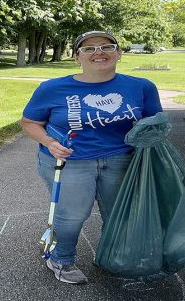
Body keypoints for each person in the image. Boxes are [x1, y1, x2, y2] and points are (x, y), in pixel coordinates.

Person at [20, 31, 162, 284]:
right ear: (77, 57)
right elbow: (30, 123)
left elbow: (154, 124)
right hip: (69, 161)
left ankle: (115, 257)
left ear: (118, 53)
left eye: (107, 46)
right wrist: (50, 142)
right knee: (72, 214)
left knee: (118, 213)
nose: (99, 52)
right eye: (89, 49)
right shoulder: (52, 88)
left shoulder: (141, 87)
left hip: (122, 160)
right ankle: (61, 258)